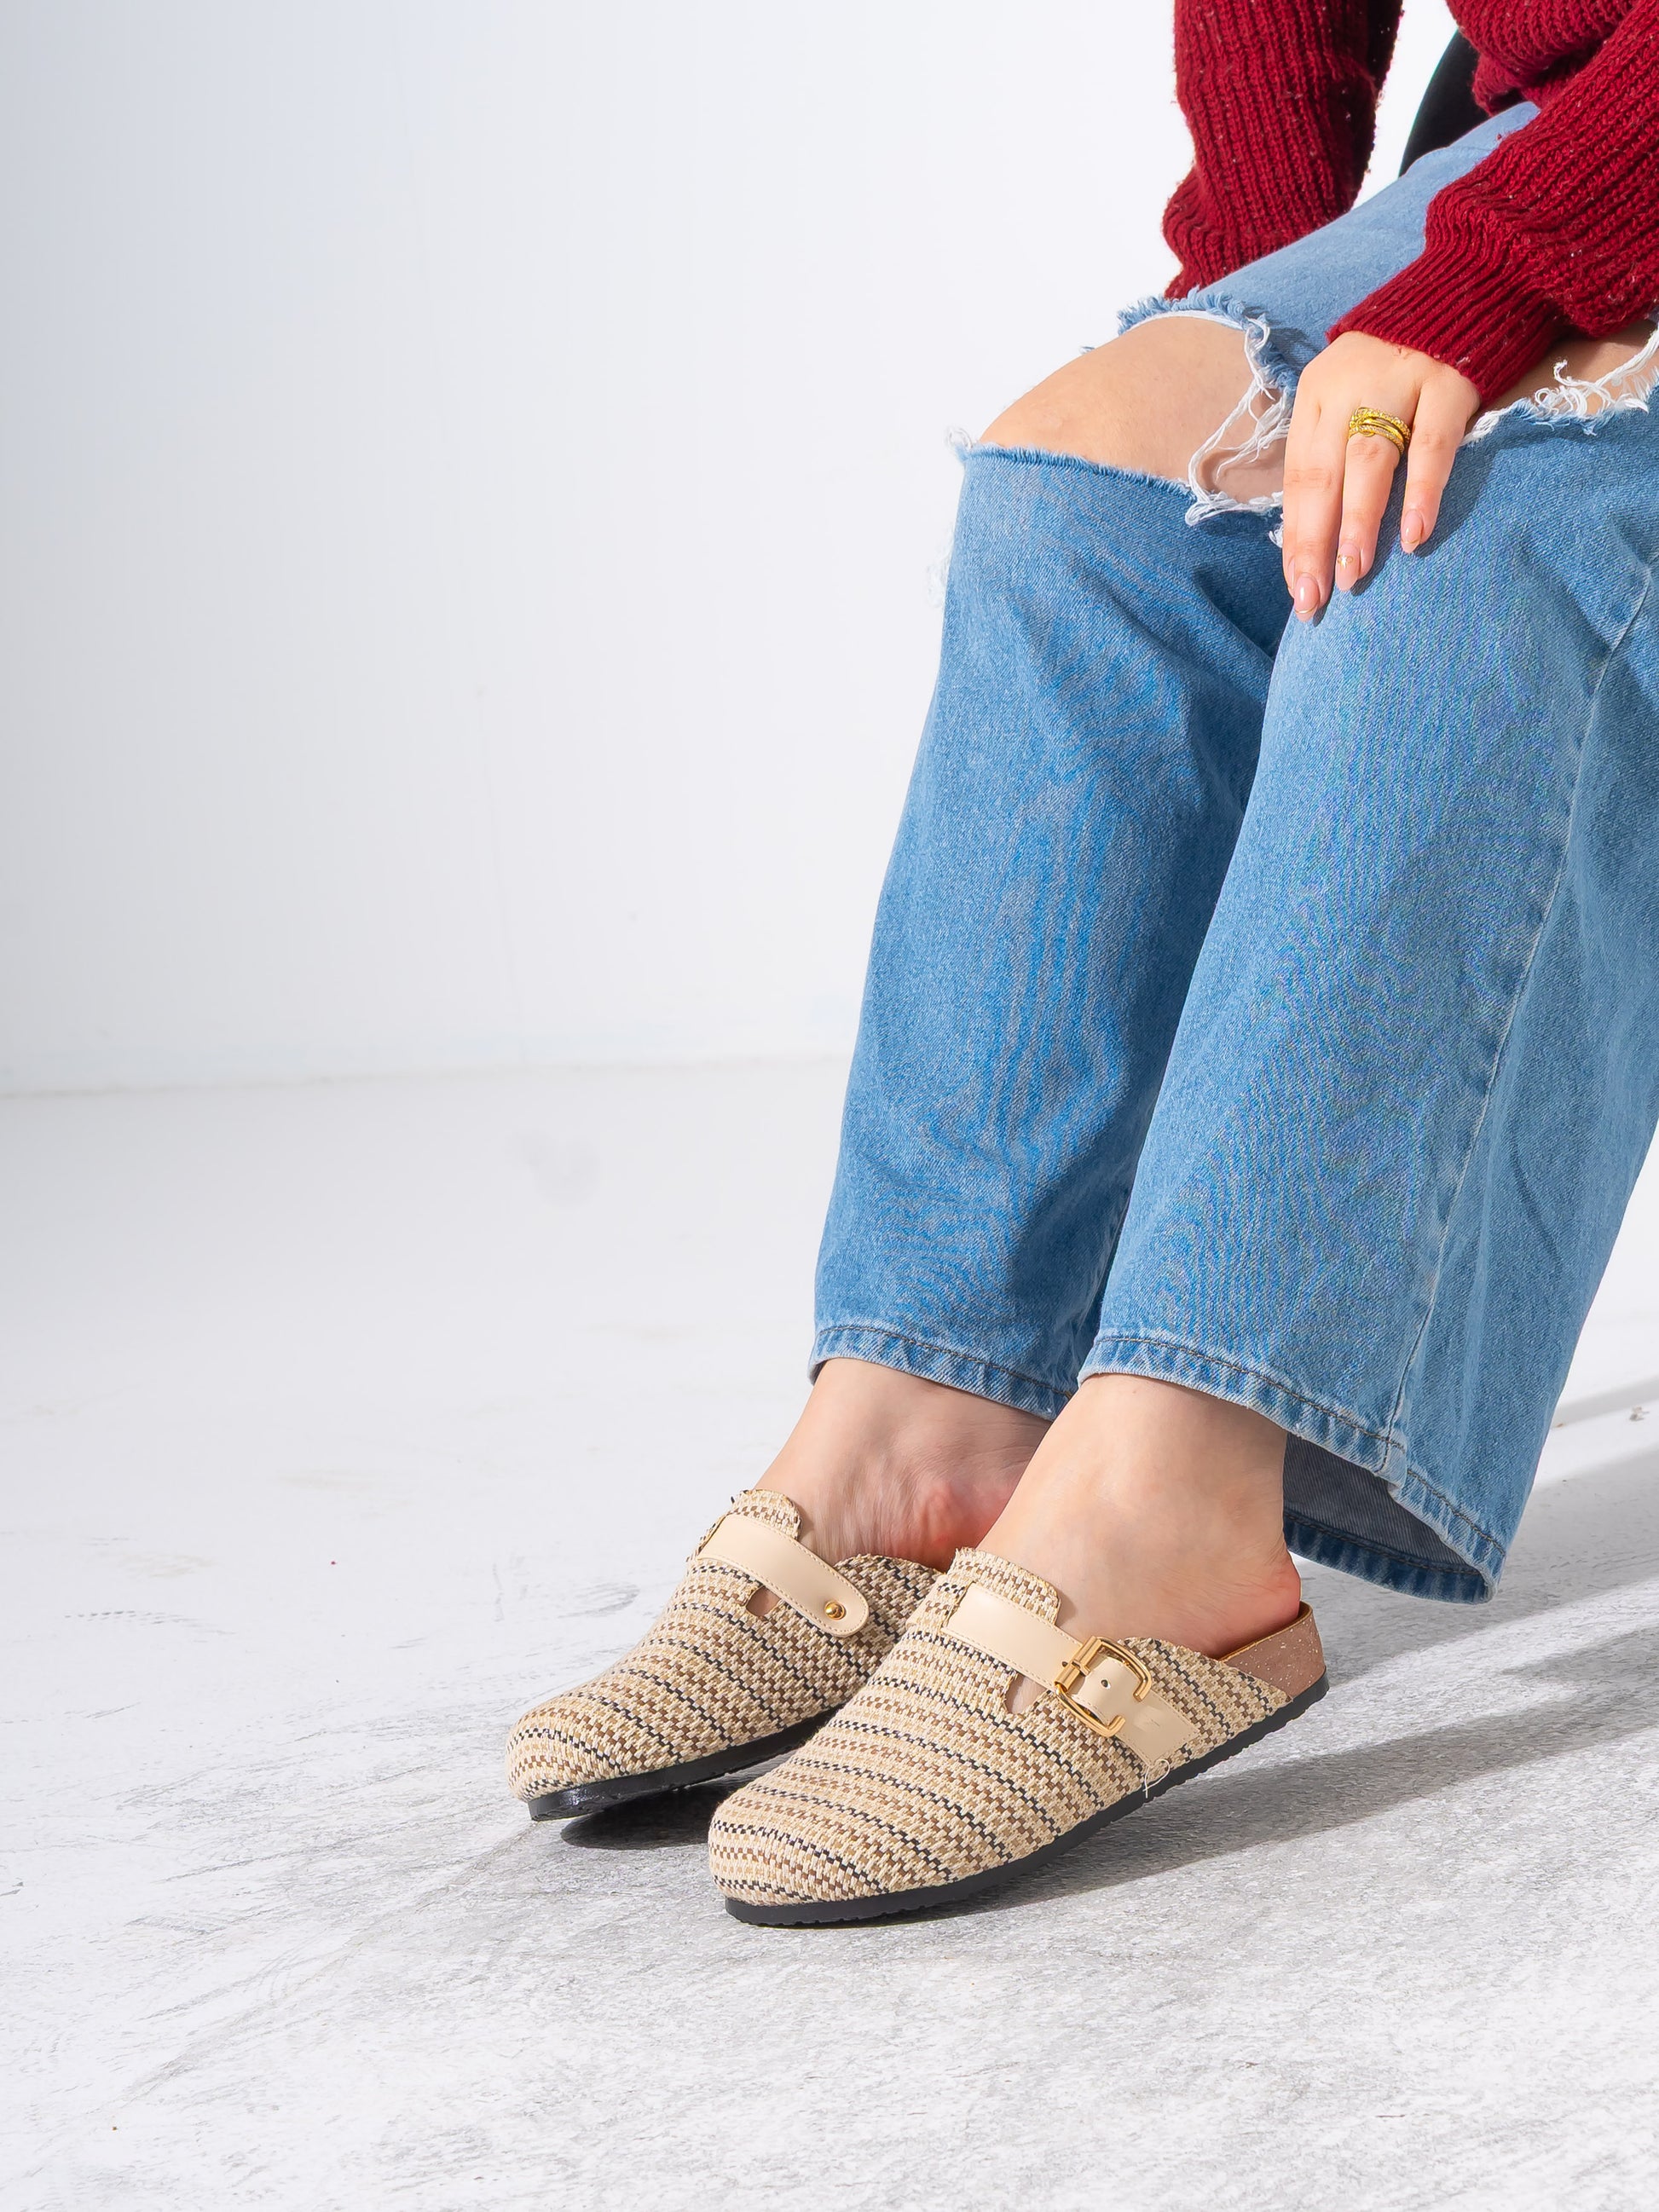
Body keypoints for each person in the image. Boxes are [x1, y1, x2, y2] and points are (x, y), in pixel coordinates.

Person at [507, 3, 1659, 1922]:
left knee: (1471, 517)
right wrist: (1271, 295)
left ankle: (1173, 1490)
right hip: (1581, 115)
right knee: (1094, 489)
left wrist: (1497, 285)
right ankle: (933, 1425)